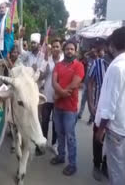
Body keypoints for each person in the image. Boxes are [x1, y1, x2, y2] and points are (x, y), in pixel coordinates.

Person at [95, 27, 125, 185]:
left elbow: (110, 104)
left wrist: (101, 129)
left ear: (112, 45)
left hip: (114, 126)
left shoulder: (116, 68)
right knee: (118, 163)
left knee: (115, 167)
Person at [50, 40, 85, 176]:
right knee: (60, 134)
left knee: (70, 136)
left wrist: (60, 95)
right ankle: (60, 156)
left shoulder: (79, 65)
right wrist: (61, 93)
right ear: (63, 51)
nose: (69, 51)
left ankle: (72, 164)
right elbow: (54, 81)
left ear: (75, 51)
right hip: (58, 108)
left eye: (72, 49)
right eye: (67, 49)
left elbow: (75, 83)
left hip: (70, 108)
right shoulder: (58, 65)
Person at [86, 40, 111, 181]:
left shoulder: (118, 65)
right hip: (99, 109)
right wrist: (90, 103)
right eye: (102, 49)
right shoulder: (97, 63)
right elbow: (90, 83)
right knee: (97, 137)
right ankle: (96, 164)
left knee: (109, 139)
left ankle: (106, 165)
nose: (105, 51)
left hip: (114, 111)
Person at [40, 40, 64, 155]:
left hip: (58, 98)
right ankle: (43, 142)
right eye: (53, 46)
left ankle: (54, 144)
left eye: (57, 46)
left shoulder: (64, 61)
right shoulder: (47, 61)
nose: (55, 48)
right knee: (44, 121)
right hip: (46, 96)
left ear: (60, 48)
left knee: (56, 122)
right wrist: (45, 72)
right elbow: (40, 77)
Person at [78, 46, 98, 122]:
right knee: (83, 100)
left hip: (93, 86)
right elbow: (85, 55)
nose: (94, 53)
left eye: (95, 52)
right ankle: (80, 114)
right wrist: (90, 51)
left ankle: (91, 116)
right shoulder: (89, 59)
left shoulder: (98, 61)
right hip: (86, 83)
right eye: (93, 52)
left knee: (92, 101)